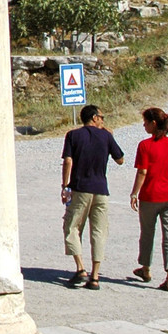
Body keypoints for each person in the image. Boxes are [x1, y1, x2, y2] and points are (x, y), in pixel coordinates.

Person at [60, 105, 125, 289]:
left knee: (72, 227)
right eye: (102, 117)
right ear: (95, 118)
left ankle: (81, 268)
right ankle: (95, 276)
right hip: (101, 190)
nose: (103, 120)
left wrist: (65, 186)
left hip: (80, 188)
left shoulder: (73, 135)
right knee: (98, 232)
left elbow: (68, 160)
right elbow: (120, 159)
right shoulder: (106, 136)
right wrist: (108, 134)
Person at [130, 106, 168, 292]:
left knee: (147, 233)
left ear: (154, 124)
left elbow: (142, 172)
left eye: (146, 122)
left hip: (151, 196)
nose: (144, 125)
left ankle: (146, 269)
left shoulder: (145, 145)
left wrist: (134, 193)